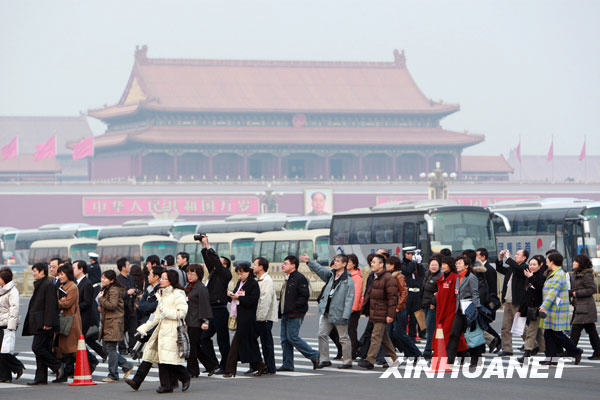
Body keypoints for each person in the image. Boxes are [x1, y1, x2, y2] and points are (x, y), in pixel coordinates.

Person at [137, 270, 191, 393]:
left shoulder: (178, 294)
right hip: (162, 330)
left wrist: (166, 312)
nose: (161, 280)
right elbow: (156, 315)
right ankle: (167, 385)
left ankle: (184, 376)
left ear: (171, 280)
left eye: (163, 278)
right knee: (163, 359)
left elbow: (182, 313)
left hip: (173, 330)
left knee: (169, 360)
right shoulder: (161, 294)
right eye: (161, 278)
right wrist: (144, 328)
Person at [304, 254, 354, 369]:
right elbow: (320, 270)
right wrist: (309, 262)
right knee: (322, 334)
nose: (335, 263)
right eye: (334, 261)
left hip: (339, 312)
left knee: (343, 337)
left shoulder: (348, 281)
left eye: (337, 261)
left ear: (344, 264)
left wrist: (346, 314)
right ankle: (324, 359)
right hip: (327, 311)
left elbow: (349, 299)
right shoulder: (331, 275)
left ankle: (347, 361)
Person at [22, 262, 65, 385]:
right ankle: (41, 377)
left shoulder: (48, 285)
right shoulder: (41, 284)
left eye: (35, 271)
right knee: (42, 349)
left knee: (37, 347)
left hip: (45, 324)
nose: (33, 273)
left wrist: (48, 322)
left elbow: (51, 306)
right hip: (39, 323)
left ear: (42, 272)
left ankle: (57, 366)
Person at [539, 252, 583, 365]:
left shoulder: (559, 274)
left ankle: (576, 351)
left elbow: (553, 292)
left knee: (557, 334)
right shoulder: (554, 273)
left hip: (556, 309)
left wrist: (544, 306)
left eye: (548, 259)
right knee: (548, 334)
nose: (546, 261)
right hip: (552, 309)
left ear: (552, 261)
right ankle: (551, 358)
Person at [125, 266, 164, 391]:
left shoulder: (160, 290)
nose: (147, 276)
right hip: (148, 324)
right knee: (150, 355)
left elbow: (154, 306)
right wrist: (146, 306)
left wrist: (146, 306)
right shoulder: (149, 288)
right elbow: (142, 306)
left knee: (161, 357)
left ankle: (181, 377)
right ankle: (137, 381)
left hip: (158, 325)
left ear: (156, 277)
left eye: (150, 274)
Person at [278, 255, 320, 371]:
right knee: (285, 340)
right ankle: (287, 364)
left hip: (295, 313)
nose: (283, 265)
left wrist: (293, 307)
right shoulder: (288, 277)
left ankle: (314, 355)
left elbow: (304, 296)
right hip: (285, 312)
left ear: (293, 265)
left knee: (292, 337)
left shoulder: (299, 278)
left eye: (286, 263)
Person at [224, 263, 266, 377]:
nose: (240, 275)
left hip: (248, 318)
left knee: (236, 344)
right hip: (239, 316)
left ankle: (230, 370)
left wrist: (238, 298)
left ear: (248, 272)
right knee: (250, 344)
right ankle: (260, 365)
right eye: (238, 273)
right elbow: (236, 295)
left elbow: (252, 300)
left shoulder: (253, 284)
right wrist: (230, 295)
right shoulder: (240, 283)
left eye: (242, 273)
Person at [358, 254, 398, 370]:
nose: (372, 264)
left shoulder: (388, 278)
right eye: (371, 262)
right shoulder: (375, 277)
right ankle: (394, 360)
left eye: (374, 262)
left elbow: (392, 298)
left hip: (383, 312)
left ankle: (370, 360)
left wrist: (390, 314)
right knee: (384, 338)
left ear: (381, 264)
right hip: (375, 312)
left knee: (375, 336)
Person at [199, 235, 232, 374]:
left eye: (220, 261)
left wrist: (209, 245)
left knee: (223, 340)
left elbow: (215, 263)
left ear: (225, 265)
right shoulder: (213, 274)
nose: (216, 262)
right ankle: (214, 364)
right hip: (211, 309)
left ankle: (226, 366)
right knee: (204, 338)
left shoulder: (226, 274)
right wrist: (203, 245)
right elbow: (209, 260)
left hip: (220, 309)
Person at [98, 270, 134, 382]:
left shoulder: (113, 290)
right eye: (102, 278)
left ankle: (113, 375)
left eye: (105, 278)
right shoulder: (108, 289)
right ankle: (126, 365)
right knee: (106, 348)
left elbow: (112, 305)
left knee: (111, 348)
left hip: (113, 322)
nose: (102, 280)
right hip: (109, 322)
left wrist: (101, 299)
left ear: (112, 280)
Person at [446, 256, 482, 367]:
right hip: (459, 309)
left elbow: (475, 293)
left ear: (466, 266)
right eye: (456, 263)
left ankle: (475, 360)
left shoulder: (471, 277)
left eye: (460, 263)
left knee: (471, 335)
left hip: (469, 308)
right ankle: (450, 360)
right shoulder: (458, 278)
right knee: (454, 334)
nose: (457, 265)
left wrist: (476, 308)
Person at [496, 248, 529, 356]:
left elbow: (518, 269)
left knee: (521, 326)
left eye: (518, 254)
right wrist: (500, 258)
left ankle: (531, 345)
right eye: (515, 254)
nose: (515, 256)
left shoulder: (524, 267)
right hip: (508, 300)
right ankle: (507, 349)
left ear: (524, 258)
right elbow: (500, 269)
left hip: (517, 301)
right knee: (505, 327)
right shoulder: (511, 268)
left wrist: (508, 257)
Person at [184, 264, 215, 378]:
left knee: (192, 347)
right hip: (189, 320)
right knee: (195, 347)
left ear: (199, 275)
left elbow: (205, 305)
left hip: (196, 321)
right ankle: (211, 365)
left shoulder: (201, 288)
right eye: (188, 273)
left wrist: (205, 321)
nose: (190, 275)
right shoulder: (189, 286)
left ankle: (192, 370)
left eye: (192, 273)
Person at [73, 260, 104, 372]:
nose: (73, 270)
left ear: (81, 269)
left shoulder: (87, 283)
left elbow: (87, 302)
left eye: (74, 268)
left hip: (86, 319)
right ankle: (99, 359)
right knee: (86, 342)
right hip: (80, 318)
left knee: (80, 342)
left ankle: (93, 360)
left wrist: (74, 307)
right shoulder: (77, 283)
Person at [54, 263, 83, 381]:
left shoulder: (72, 287)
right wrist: (60, 301)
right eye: (59, 274)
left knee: (70, 349)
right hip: (63, 320)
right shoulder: (62, 286)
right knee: (64, 348)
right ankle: (66, 373)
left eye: (62, 274)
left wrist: (59, 302)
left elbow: (67, 303)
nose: (60, 276)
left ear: (68, 274)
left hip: (71, 321)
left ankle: (66, 373)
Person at [569, 254, 600, 360]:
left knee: (575, 330)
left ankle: (571, 351)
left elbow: (592, 289)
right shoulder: (575, 274)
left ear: (581, 263)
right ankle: (598, 352)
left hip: (586, 308)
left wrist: (576, 293)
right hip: (580, 307)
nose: (573, 263)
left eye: (575, 261)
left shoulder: (587, 275)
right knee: (591, 331)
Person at [388, 255, 419, 359]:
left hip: (399, 309)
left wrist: (399, 307)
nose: (386, 266)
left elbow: (404, 292)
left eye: (389, 264)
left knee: (399, 333)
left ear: (393, 266)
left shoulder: (399, 276)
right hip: (393, 308)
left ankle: (416, 353)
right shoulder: (391, 276)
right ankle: (409, 353)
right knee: (393, 334)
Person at [435, 257, 467, 357]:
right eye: (442, 264)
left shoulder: (454, 278)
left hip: (451, 311)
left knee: (448, 334)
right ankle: (462, 352)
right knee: (450, 334)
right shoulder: (441, 279)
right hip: (441, 311)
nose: (443, 266)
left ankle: (445, 355)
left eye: (445, 264)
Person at [517, 255, 546, 363]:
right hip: (529, 308)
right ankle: (546, 350)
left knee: (531, 331)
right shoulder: (528, 277)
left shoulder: (541, 277)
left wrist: (531, 277)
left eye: (534, 264)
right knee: (537, 333)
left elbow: (539, 289)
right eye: (530, 264)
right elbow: (526, 295)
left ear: (539, 266)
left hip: (538, 309)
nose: (532, 266)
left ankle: (527, 353)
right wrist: (521, 309)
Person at [252, 256, 278, 375]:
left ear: (261, 267)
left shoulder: (266, 280)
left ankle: (270, 367)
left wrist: (261, 316)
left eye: (255, 264)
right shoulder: (259, 279)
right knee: (259, 341)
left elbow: (265, 300)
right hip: (260, 316)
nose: (253, 266)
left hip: (264, 318)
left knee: (266, 343)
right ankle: (260, 365)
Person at [0, 267, 24, 383]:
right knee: (1, 353)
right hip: (0, 323)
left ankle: (18, 367)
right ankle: (5, 376)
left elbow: (14, 309)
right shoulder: (1, 289)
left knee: (4, 352)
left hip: (7, 324)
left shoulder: (13, 291)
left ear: (4, 279)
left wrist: (11, 327)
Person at [475, 248, 501, 353]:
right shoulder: (480, 268)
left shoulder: (488, 269)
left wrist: (490, 301)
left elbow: (492, 287)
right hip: (483, 300)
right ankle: (494, 342)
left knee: (484, 325)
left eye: (477, 255)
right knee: (483, 325)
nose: (475, 258)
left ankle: (497, 341)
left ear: (483, 257)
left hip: (486, 301)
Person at [116, 257, 139, 354]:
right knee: (121, 329)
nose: (129, 267)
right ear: (123, 267)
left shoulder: (131, 278)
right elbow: (117, 295)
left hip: (131, 307)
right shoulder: (117, 279)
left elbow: (135, 289)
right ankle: (122, 349)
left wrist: (135, 292)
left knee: (133, 329)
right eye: (128, 265)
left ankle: (132, 348)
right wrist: (127, 292)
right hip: (122, 308)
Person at [421, 256, 442, 359]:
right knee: (428, 327)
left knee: (430, 328)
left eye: (436, 265)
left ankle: (428, 349)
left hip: (433, 306)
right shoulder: (427, 274)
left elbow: (439, 292)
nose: (433, 267)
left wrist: (433, 302)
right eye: (432, 265)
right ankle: (430, 348)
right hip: (426, 305)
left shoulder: (440, 276)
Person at [401, 247, 424, 339]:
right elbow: (407, 271)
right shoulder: (403, 264)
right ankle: (403, 336)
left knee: (416, 316)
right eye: (411, 254)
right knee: (405, 315)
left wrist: (419, 264)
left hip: (417, 292)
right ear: (406, 254)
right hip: (408, 292)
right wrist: (413, 263)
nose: (413, 256)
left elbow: (422, 274)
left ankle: (413, 336)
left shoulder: (416, 264)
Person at [346, 254, 363, 359]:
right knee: (349, 331)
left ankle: (353, 352)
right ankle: (355, 348)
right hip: (347, 307)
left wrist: (353, 308)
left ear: (354, 264)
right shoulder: (348, 275)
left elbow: (357, 294)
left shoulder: (356, 277)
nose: (346, 264)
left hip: (353, 309)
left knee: (351, 330)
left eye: (348, 262)